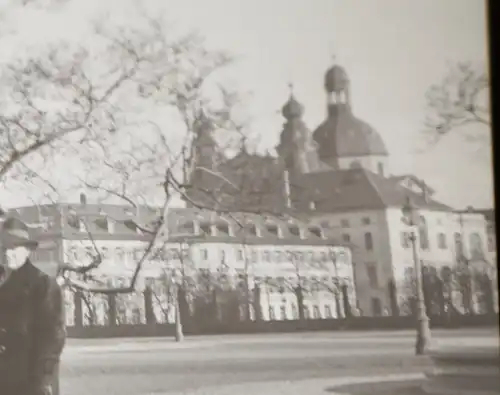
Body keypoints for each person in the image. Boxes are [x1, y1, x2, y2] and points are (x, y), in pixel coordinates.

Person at [0, 215, 66, 395]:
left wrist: (42, 382)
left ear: (27, 250)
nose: (7, 253)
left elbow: (52, 338)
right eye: (4, 247)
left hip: (31, 382)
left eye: (14, 247)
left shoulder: (43, 286)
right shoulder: (3, 287)